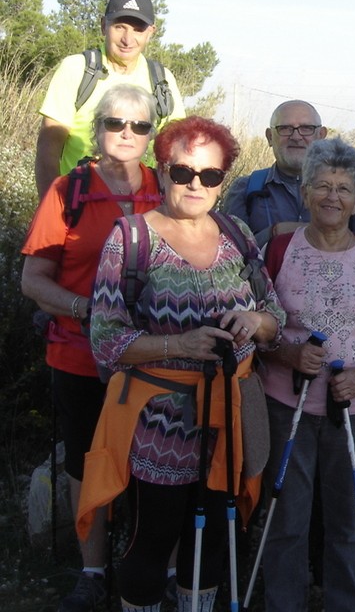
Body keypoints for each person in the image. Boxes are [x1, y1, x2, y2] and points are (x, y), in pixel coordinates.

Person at [80, 116, 285, 612]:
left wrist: (254, 320)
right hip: (158, 421)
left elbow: (276, 318)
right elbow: (105, 340)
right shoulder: (130, 239)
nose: (196, 184)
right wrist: (180, 345)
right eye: (183, 172)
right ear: (163, 168)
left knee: (213, 538)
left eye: (210, 176)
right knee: (152, 537)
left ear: (223, 180)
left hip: (230, 416)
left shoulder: (236, 233)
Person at [21, 85, 163, 612]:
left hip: (151, 359)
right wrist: (91, 312)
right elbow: (33, 279)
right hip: (79, 358)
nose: (127, 134)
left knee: (151, 464)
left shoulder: (169, 187)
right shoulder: (68, 191)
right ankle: (92, 571)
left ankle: (146, 567)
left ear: (152, 135)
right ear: (98, 128)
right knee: (87, 464)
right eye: (116, 124)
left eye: (140, 126)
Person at [257, 137, 355, 611]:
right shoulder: (278, 252)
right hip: (287, 404)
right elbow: (259, 326)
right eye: (322, 185)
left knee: (347, 521)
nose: (332, 197)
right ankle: (285, 603)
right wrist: (287, 353)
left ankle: (345, 602)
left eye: (344, 188)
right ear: (303, 191)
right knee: (287, 518)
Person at [35, 0, 184, 198]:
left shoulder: (162, 79)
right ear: (104, 25)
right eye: (120, 26)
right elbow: (48, 148)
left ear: (151, 32)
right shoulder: (76, 69)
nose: (127, 38)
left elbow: (178, 148)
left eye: (138, 29)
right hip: (81, 206)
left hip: (142, 210)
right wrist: (54, 209)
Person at [224, 100, 355, 246]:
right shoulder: (245, 189)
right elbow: (231, 253)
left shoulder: (348, 192)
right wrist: (273, 233)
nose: (296, 137)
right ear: (269, 137)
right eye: (285, 128)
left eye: (306, 128)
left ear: (321, 135)